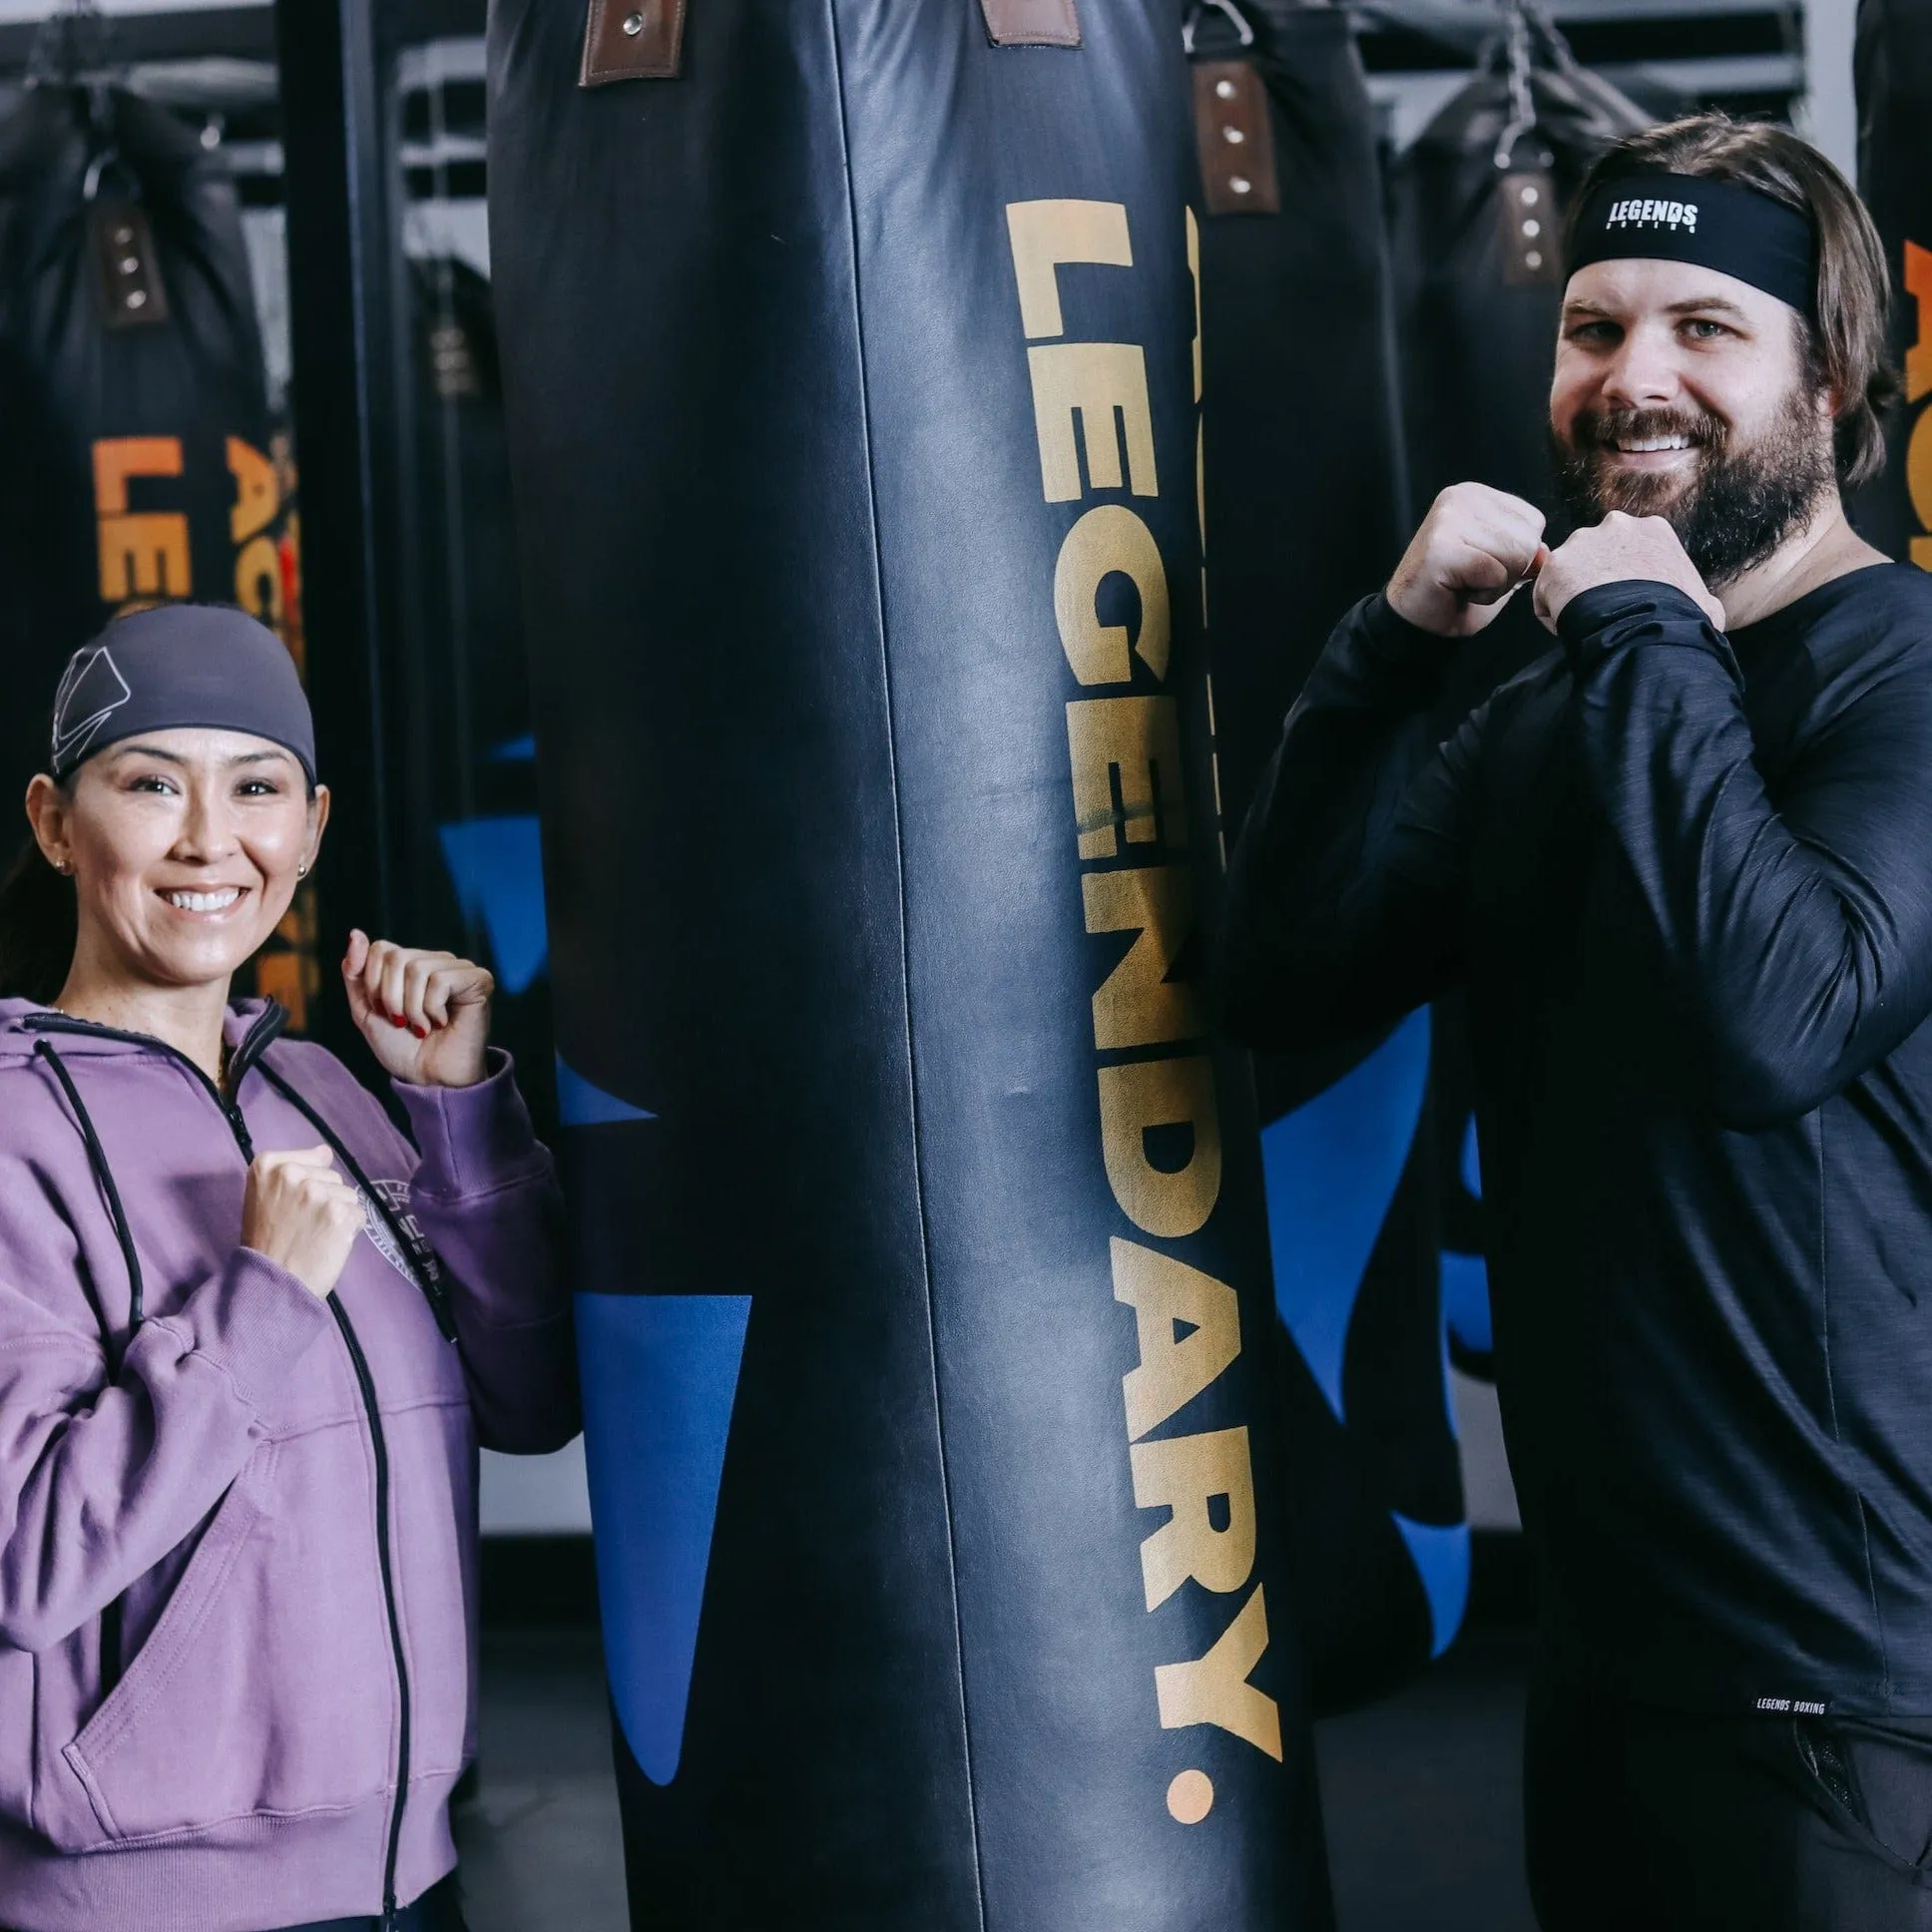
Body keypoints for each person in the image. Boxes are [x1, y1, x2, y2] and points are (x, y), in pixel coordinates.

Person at [1217, 114, 1932, 1927]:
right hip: (1605, 1667)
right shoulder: (1560, 703)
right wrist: (1392, 642)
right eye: (1593, 326)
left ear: (1831, 379)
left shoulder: (1905, 679)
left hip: (1847, 1691)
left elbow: (1772, 1018)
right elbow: (1278, 976)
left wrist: (1644, 634)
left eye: (1707, 326)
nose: (1636, 379)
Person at [0, 603, 579, 1931]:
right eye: (151, 783)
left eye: (255, 787)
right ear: (53, 821)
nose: (211, 840)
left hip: (405, 1877)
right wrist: (257, 1302)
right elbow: (26, 1559)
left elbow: (534, 1400)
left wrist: (456, 1119)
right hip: (143, 1900)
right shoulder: (15, 1130)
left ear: (308, 828)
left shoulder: (324, 1092)